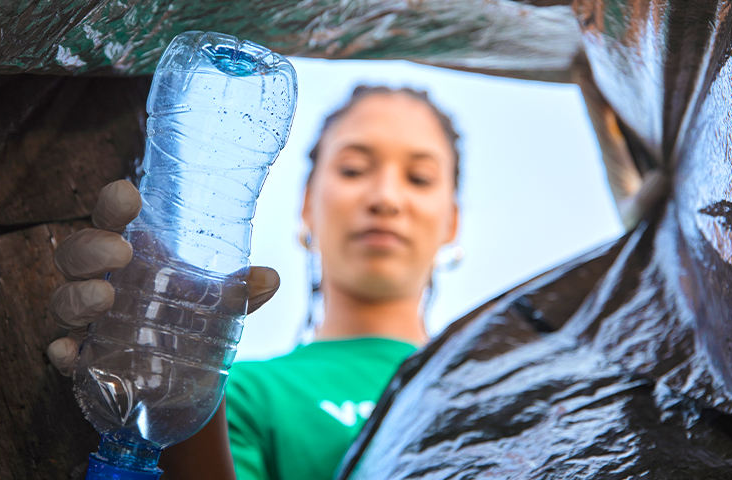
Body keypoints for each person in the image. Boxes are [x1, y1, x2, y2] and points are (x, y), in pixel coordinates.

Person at [46, 85, 462, 480]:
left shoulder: (505, 384)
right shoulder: (238, 397)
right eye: (353, 170)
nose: (386, 198)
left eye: (419, 178)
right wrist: (180, 397)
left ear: (453, 224)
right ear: (306, 207)